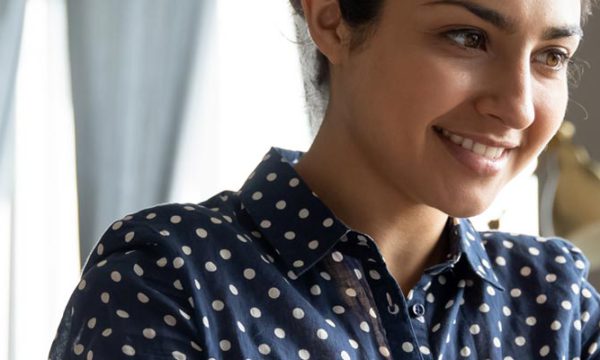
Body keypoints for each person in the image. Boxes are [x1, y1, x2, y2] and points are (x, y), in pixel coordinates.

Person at [50, 0, 600, 358]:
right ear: (332, 18)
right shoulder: (168, 278)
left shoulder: (556, 300)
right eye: (467, 37)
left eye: (550, 56)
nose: (519, 108)